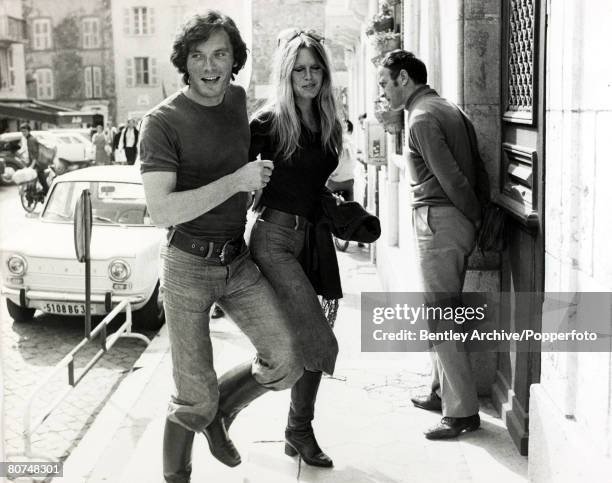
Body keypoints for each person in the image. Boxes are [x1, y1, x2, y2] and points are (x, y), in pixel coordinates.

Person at [139, 11, 303, 482]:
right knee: (193, 397)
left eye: (220, 54)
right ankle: (187, 457)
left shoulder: (236, 99)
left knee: (286, 361)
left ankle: (220, 415)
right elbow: (161, 211)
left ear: (234, 61)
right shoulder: (161, 123)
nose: (209, 66)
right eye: (198, 56)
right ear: (184, 63)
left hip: (237, 259)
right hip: (187, 265)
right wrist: (236, 181)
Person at [248, 28, 343, 468]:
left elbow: (314, 185)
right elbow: (242, 189)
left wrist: (344, 212)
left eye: (315, 69)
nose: (308, 77)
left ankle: (295, 431)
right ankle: (217, 408)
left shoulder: (328, 123)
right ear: (286, 75)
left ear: (324, 72)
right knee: (317, 340)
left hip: (312, 240)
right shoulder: (266, 124)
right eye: (299, 70)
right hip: (274, 239)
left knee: (297, 344)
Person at [378, 50, 482, 440]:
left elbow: (453, 178)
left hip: (441, 221)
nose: (383, 93)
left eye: (385, 83)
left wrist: (473, 216)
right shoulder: (443, 107)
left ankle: (461, 413)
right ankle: (441, 393)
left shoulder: (421, 117)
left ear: (403, 78)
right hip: (447, 220)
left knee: (442, 315)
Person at [326, 119, 356, 202]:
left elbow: (335, 164)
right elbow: (353, 163)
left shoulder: (335, 143)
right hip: (349, 181)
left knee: (322, 200)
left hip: (334, 183)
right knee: (350, 205)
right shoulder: (351, 141)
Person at [20, 124, 49, 196]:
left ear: (29, 131)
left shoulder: (31, 140)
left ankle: (49, 195)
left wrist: (32, 166)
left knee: (42, 180)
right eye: (22, 131)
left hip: (38, 164)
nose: (23, 133)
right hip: (34, 163)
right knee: (34, 179)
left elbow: (35, 154)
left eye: (25, 131)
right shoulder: (28, 139)